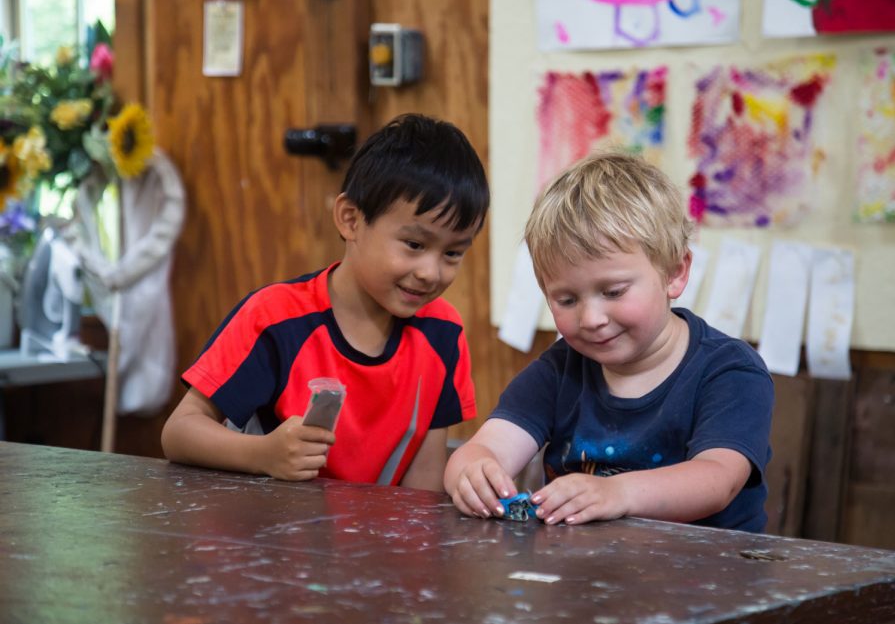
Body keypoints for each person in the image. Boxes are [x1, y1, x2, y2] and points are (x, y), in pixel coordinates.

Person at [444, 151, 773, 531]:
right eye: (566, 300)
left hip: (708, 580)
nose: (591, 319)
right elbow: (485, 448)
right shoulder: (558, 371)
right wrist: (471, 472)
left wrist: (618, 494)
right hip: (580, 579)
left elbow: (717, 479)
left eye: (613, 292)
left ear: (675, 273)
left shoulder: (730, 371)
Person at [161, 113, 489, 491]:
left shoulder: (443, 332)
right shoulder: (274, 318)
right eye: (414, 245)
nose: (431, 272)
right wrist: (263, 454)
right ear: (350, 219)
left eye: (452, 254)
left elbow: (422, 488)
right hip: (271, 537)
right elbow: (178, 432)